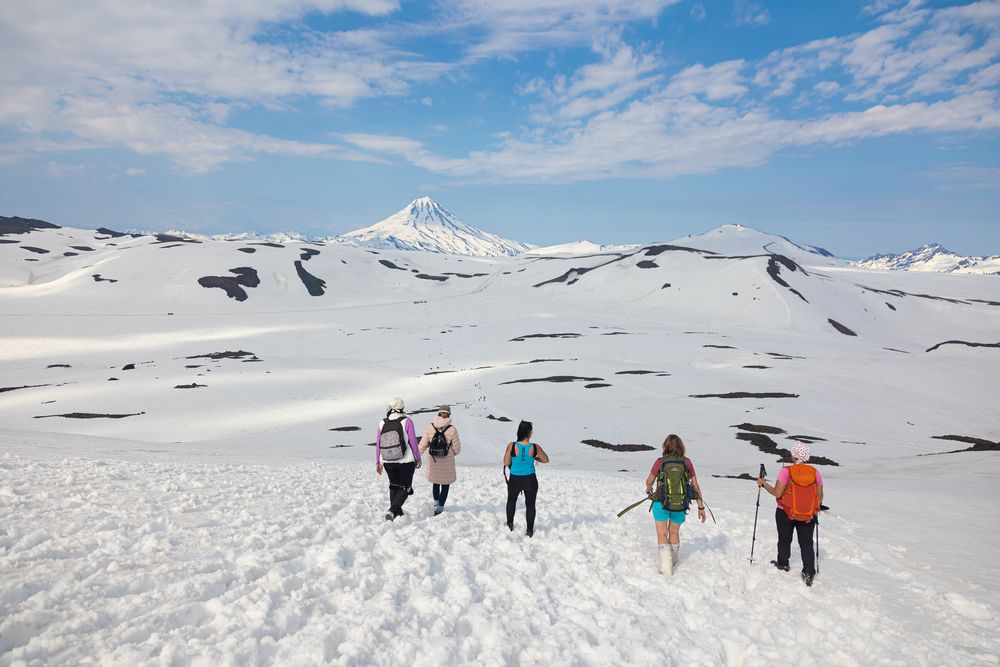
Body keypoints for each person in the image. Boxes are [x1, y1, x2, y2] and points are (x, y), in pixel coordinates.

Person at [757, 442, 824, 586]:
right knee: (806, 543)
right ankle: (808, 572)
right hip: (807, 515)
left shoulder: (786, 471)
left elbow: (777, 492)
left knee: (784, 539)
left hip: (785, 512)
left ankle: (783, 563)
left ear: (794, 455)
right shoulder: (815, 472)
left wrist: (763, 484)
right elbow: (820, 495)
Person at [644, 434, 706, 576]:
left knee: (662, 533)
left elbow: (649, 480)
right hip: (680, 504)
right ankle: (673, 560)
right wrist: (700, 507)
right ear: (681, 447)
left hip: (660, 503)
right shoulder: (687, 462)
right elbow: (695, 485)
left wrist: (649, 489)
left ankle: (666, 568)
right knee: (674, 532)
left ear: (665, 446)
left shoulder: (660, 462)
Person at [375, 397, 421, 521]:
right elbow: (413, 442)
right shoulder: (407, 421)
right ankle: (393, 510)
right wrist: (418, 458)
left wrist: (378, 462)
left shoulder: (382, 422)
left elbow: (378, 444)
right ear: (402, 408)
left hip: (387, 461)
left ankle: (396, 514)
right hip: (405, 461)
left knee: (394, 486)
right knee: (406, 487)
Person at [503, 420, 549, 537]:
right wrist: (535, 458)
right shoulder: (534, 446)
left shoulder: (512, 445)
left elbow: (506, 462)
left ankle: (509, 524)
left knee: (511, 501)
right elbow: (546, 460)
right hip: (530, 479)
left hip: (515, 479)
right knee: (530, 504)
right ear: (529, 433)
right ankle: (529, 530)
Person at [418, 404, 462, 516]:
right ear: (449, 414)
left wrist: (416, 457)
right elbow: (457, 449)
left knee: (436, 482)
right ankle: (440, 508)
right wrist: (451, 452)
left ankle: (435, 503)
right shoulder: (452, 429)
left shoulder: (430, 427)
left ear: (438, 413)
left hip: (434, 461)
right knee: (446, 484)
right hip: (447, 462)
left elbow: (422, 445)